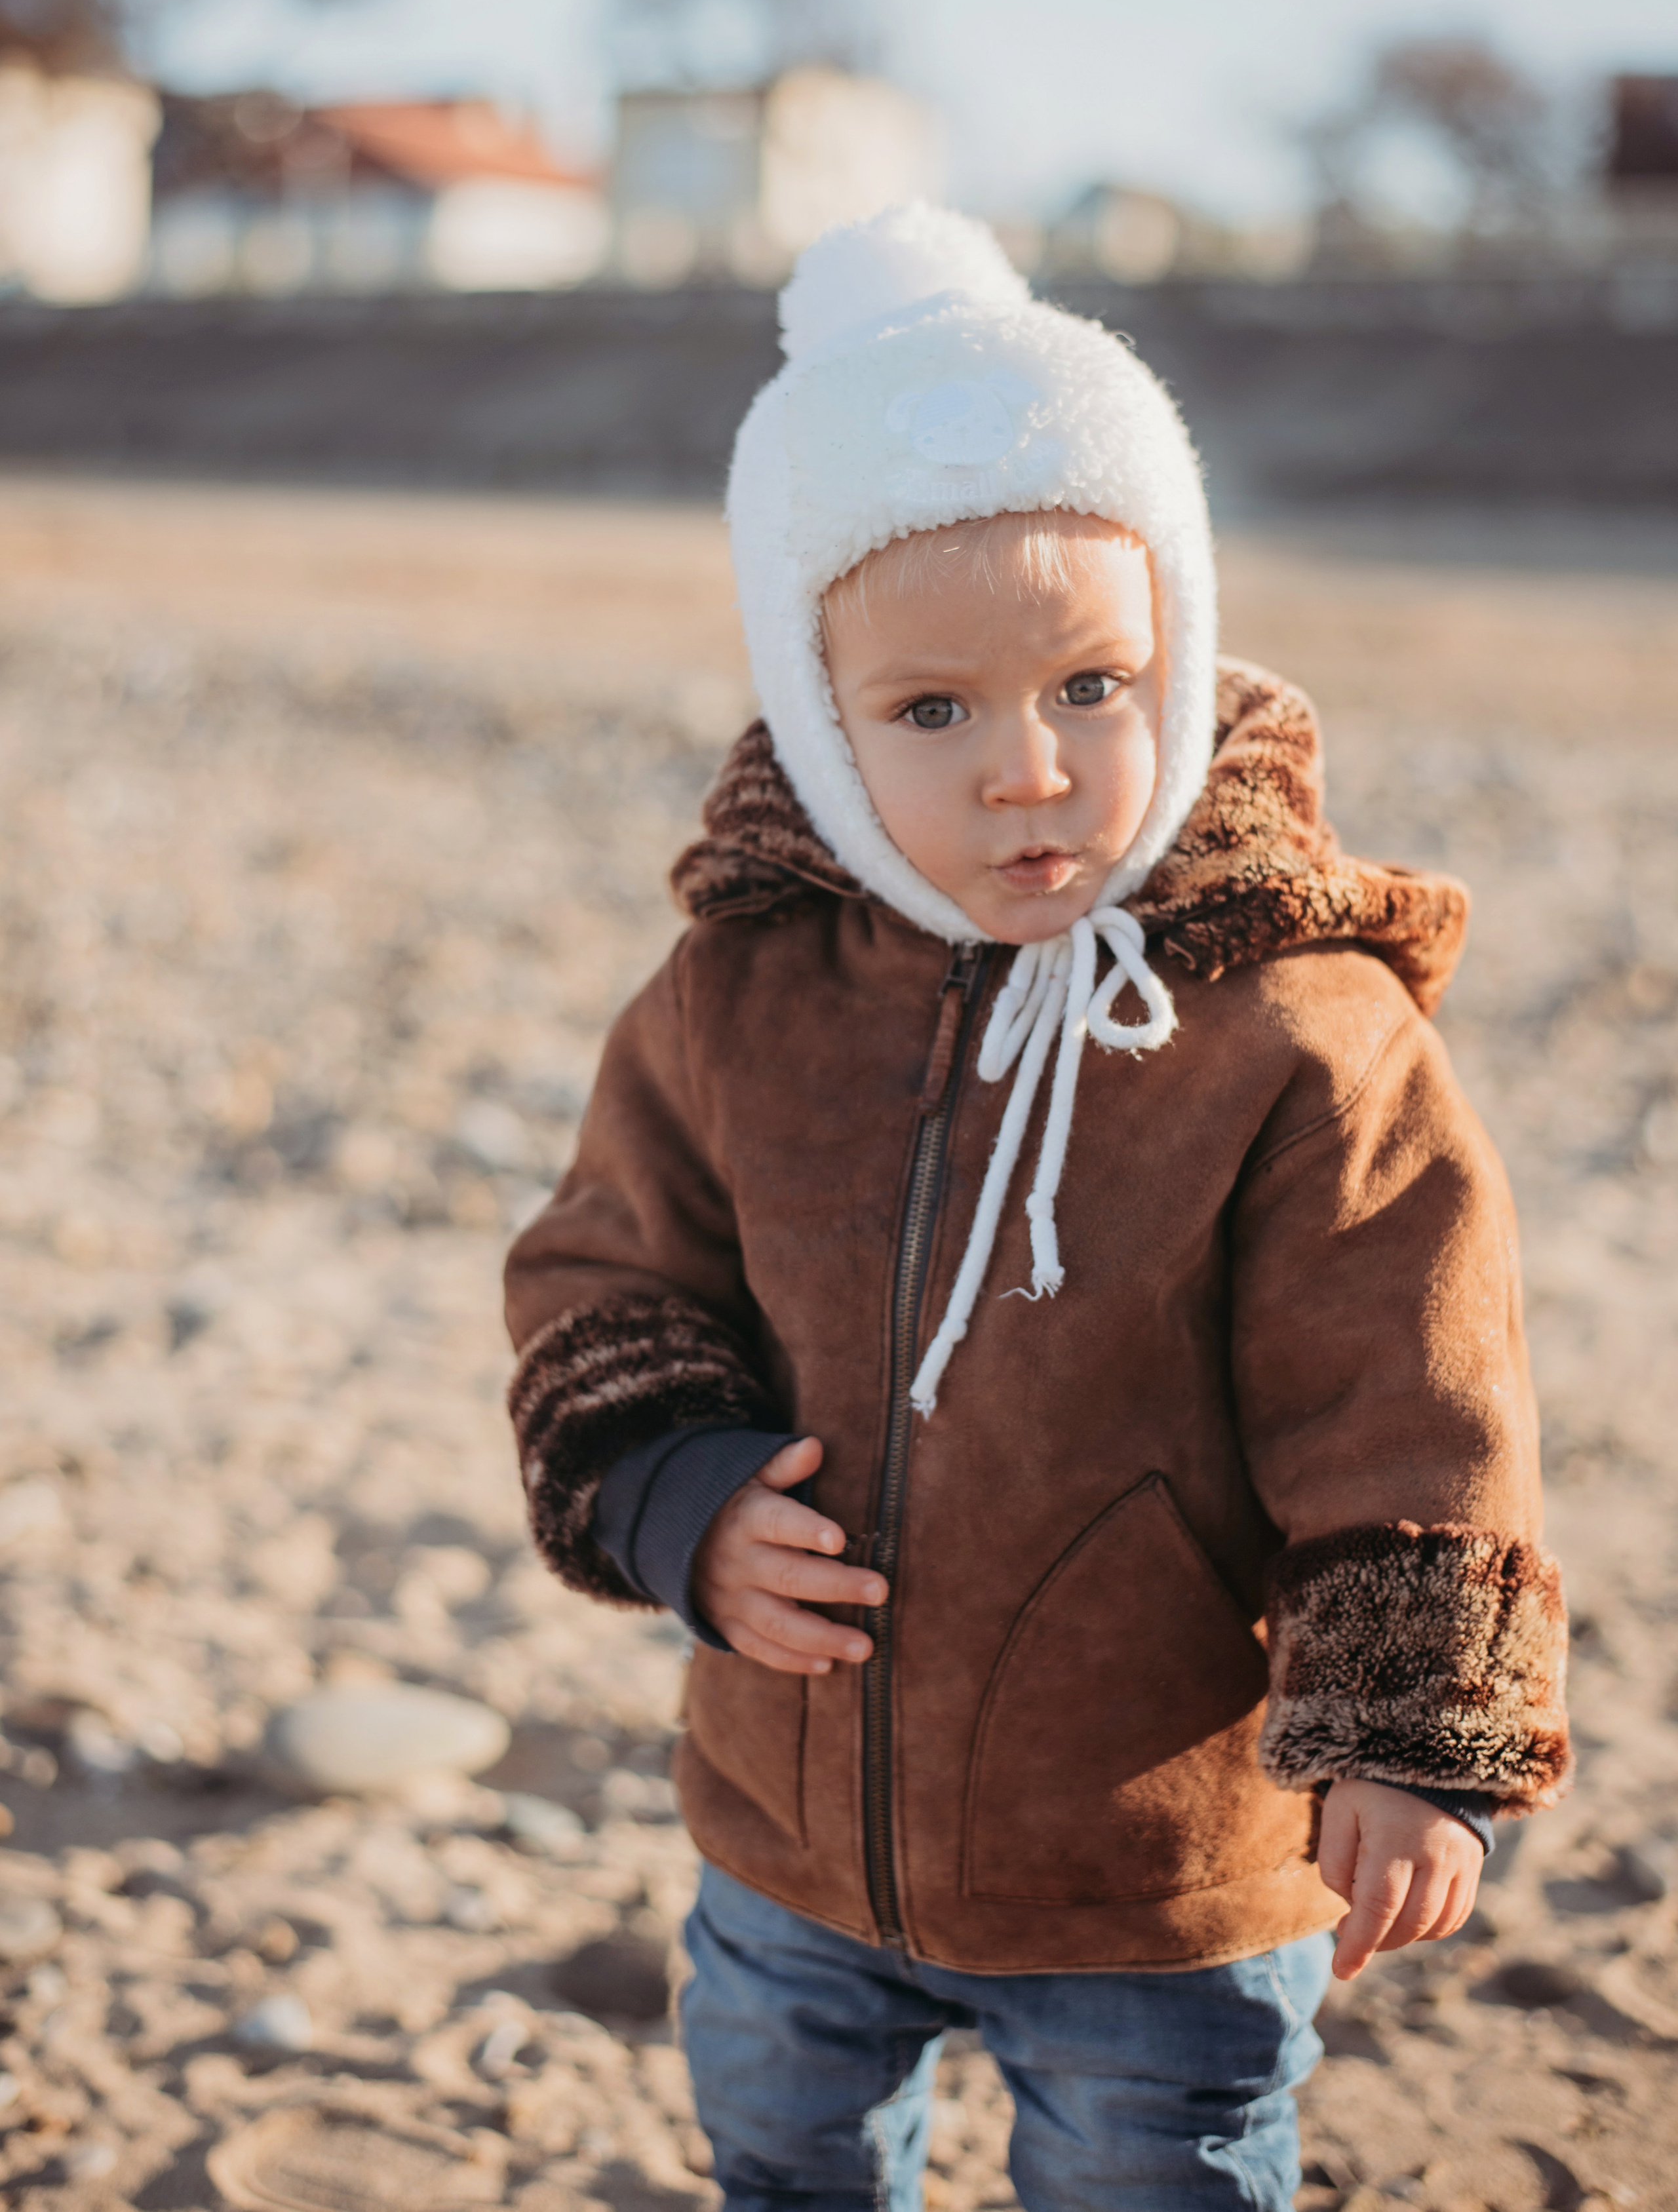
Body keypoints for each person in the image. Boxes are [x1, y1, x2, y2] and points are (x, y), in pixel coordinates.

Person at [505, 206, 1570, 2210]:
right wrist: (678, 1493)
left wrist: (1414, 1733)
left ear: (1183, 639)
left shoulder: (1295, 1028)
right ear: (820, 724)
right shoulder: (743, 994)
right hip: (793, 1832)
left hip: (1156, 1861)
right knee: (788, 2160)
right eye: (932, 714)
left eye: (1097, 682)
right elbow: (602, 1269)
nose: (1032, 773)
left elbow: (1413, 1397)